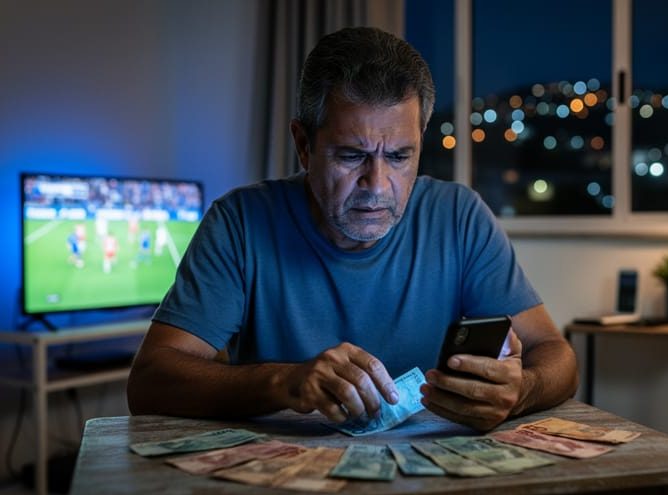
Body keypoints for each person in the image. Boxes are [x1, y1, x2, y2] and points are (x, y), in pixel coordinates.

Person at [127, 27, 578, 431]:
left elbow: (558, 358)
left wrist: (521, 390)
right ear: (304, 146)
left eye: (400, 157)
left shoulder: (459, 215)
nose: (377, 185)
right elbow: (149, 382)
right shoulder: (240, 223)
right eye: (350, 155)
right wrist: (286, 381)